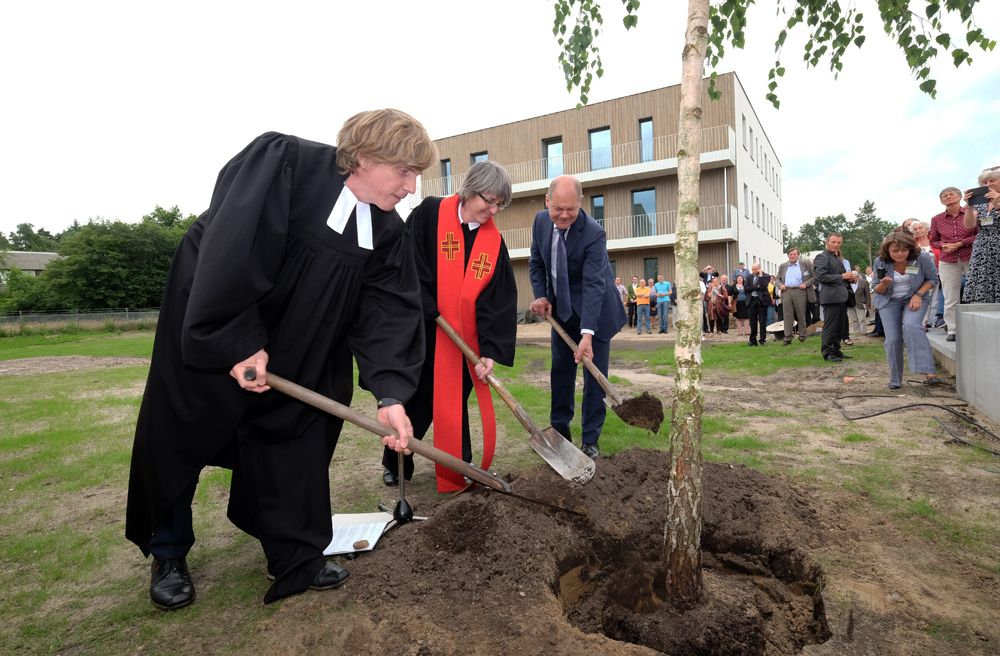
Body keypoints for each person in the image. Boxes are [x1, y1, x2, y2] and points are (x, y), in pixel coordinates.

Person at [125, 111, 436, 610]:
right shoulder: (284, 164)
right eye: (404, 171)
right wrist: (235, 338)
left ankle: (295, 554)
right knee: (181, 431)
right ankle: (169, 552)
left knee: (298, 438)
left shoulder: (387, 232)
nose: (411, 186)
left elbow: (388, 314)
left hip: (300, 346)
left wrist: (391, 393)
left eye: (416, 175)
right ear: (364, 158)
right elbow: (229, 248)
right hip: (216, 319)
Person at [380, 161, 517, 491]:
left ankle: (458, 463)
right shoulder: (431, 213)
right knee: (418, 399)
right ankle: (396, 460)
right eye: (489, 201)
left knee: (454, 399)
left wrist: (489, 351)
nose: (493, 210)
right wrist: (425, 299)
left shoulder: (492, 243)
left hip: (463, 339)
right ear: (470, 191)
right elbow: (406, 257)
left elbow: (497, 301)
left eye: (500, 204)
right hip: (423, 329)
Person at [529, 175, 627, 458]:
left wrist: (587, 334)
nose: (563, 215)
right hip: (561, 314)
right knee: (560, 374)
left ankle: (590, 441)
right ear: (547, 201)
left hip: (597, 315)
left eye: (570, 209)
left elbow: (594, 285)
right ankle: (560, 434)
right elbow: (536, 262)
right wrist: (541, 295)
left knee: (594, 379)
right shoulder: (540, 222)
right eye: (557, 208)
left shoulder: (594, 233)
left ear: (580, 202)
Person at [871, 232, 941, 389]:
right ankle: (895, 379)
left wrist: (918, 294)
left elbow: (932, 278)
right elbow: (877, 289)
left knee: (912, 326)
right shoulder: (880, 261)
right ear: (887, 250)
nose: (900, 254)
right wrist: (884, 284)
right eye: (895, 250)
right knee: (893, 339)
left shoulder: (922, 258)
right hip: (889, 300)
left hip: (915, 297)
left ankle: (929, 373)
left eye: (904, 250)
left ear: (910, 248)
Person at [929, 186, 977, 342]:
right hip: (948, 259)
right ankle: (953, 329)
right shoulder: (936, 219)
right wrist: (943, 245)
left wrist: (961, 243)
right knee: (950, 295)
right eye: (945, 196)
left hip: (971, 255)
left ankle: (977, 326)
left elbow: (978, 234)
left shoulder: (972, 212)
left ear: (959, 197)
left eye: (951, 194)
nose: (948, 197)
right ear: (941, 201)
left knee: (976, 291)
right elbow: (933, 241)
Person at [814, 233, 857, 362]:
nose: (836, 245)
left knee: (840, 326)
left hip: (841, 296)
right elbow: (821, 277)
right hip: (831, 297)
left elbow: (840, 277)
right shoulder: (822, 257)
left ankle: (836, 350)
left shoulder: (836, 258)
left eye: (839, 242)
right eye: (833, 242)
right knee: (831, 326)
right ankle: (827, 353)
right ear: (826, 242)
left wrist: (850, 279)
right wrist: (842, 277)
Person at [961, 167, 1000, 308]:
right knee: (983, 283)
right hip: (982, 248)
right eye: (985, 182)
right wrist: (969, 207)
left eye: (992, 180)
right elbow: (969, 225)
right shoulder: (981, 202)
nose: (988, 184)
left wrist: (997, 204)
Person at [776, 247, 815, 345]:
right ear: (787, 256)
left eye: (794, 254)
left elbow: (814, 276)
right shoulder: (783, 266)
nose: (792, 256)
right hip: (786, 291)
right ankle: (788, 337)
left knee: (801, 315)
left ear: (798, 255)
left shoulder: (806, 264)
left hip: (800, 291)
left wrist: (805, 284)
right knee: (787, 316)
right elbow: (777, 279)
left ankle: (802, 336)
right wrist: (781, 285)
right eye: (790, 254)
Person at [909, 220, 941, 329]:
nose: (918, 231)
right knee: (923, 297)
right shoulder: (910, 243)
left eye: (920, 228)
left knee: (935, 299)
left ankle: (934, 322)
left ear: (927, 229)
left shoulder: (935, 241)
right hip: (918, 275)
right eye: (915, 229)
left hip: (936, 274)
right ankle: (922, 323)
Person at [744, 264, 772, 346]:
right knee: (752, 322)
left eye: (755, 269)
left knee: (762, 321)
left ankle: (762, 340)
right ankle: (753, 340)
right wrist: (756, 287)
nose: (753, 271)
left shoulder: (766, 276)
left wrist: (761, 276)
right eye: (752, 269)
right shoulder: (749, 277)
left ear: (760, 269)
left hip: (762, 301)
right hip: (751, 300)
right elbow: (746, 288)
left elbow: (763, 286)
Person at [847, 266, 872, 336]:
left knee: (862, 319)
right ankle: (857, 333)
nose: (853, 280)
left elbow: (867, 294)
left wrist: (868, 304)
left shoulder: (864, 282)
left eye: (854, 278)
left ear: (858, 277)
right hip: (850, 304)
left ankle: (863, 333)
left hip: (860, 303)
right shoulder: (848, 283)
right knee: (854, 320)